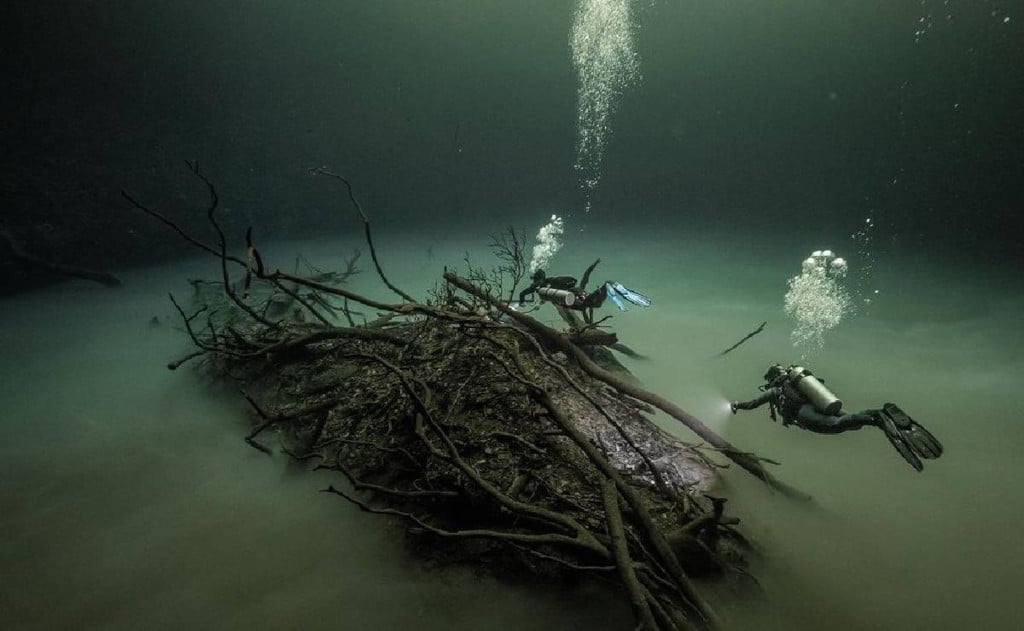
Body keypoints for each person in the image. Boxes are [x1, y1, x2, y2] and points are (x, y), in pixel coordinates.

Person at [730, 364, 943, 471]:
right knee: (848, 421)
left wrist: (737, 405)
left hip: (805, 413)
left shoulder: (776, 391)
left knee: (836, 426)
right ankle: (875, 416)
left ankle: (878, 417)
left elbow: (751, 404)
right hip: (819, 403)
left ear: (773, 378)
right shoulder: (796, 384)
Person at [517, 269, 651, 313]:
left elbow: (523, 293)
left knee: (587, 302)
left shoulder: (538, 285)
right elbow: (572, 281)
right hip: (579, 294)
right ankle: (614, 290)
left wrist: (522, 303)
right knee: (596, 297)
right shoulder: (552, 280)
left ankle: (608, 288)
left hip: (575, 301)